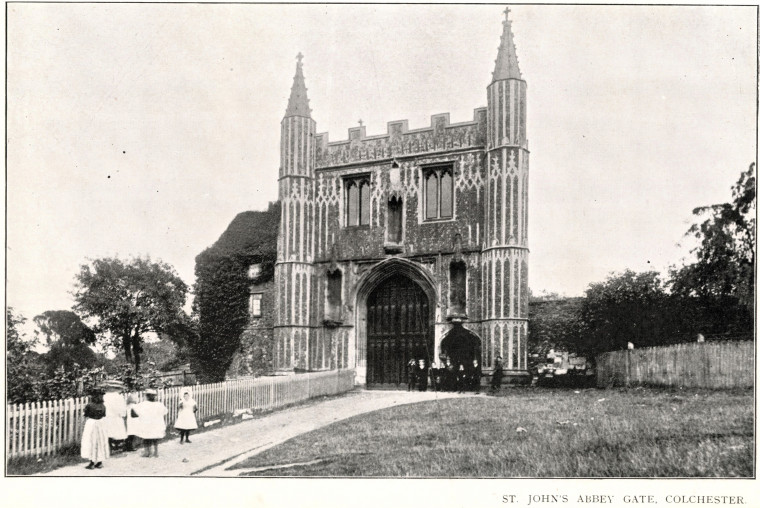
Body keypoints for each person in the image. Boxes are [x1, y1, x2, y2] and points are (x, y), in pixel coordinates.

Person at [132, 388, 168, 458]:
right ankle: (155, 452)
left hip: (147, 424)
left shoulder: (143, 404)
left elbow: (135, 410)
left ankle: (148, 452)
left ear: (147, 396)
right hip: (155, 424)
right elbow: (165, 411)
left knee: (147, 438)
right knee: (155, 438)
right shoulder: (159, 405)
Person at [80, 390, 109, 470]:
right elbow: (104, 415)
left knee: (91, 441)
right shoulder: (103, 406)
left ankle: (92, 463)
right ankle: (99, 462)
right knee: (100, 441)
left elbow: (85, 414)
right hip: (100, 424)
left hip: (91, 423)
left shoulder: (89, 405)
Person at [103, 388, 127, 452]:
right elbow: (122, 407)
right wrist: (123, 414)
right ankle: (117, 446)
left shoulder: (105, 396)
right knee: (117, 432)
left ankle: (110, 446)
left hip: (107, 416)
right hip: (116, 416)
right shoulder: (119, 397)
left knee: (108, 432)